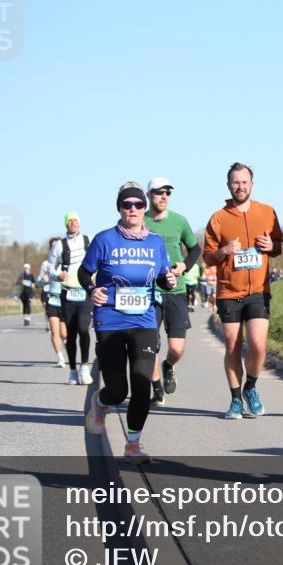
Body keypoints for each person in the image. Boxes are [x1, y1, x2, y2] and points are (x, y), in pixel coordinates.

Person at [82, 182, 176, 463]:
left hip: (144, 319)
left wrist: (167, 281)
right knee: (117, 389)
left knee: (142, 383)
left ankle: (133, 444)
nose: (132, 209)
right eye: (127, 205)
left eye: (137, 205)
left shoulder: (155, 242)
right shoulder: (104, 239)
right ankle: (101, 403)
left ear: (144, 209)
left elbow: (161, 276)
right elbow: (84, 272)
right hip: (110, 319)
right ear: (120, 208)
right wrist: (91, 289)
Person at [203, 162, 283, 419]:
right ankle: (236, 399)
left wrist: (271, 245)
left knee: (258, 346)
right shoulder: (218, 218)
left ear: (252, 183)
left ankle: (250, 386)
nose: (240, 186)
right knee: (232, 347)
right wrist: (224, 251)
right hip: (229, 291)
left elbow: (279, 245)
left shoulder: (267, 212)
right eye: (235, 182)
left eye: (244, 182)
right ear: (229, 186)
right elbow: (208, 257)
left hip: (259, 289)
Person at [144, 177, 201, 404]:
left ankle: (168, 366)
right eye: (159, 192)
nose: (164, 196)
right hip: (149, 292)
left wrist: (184, 266)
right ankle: (157, 389)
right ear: (149, 195)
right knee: (151, 344)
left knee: (176, 348)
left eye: (168, 192)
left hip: (176, 290)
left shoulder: (179, 221)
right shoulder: (142, 221)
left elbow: (195, 249)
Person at [47, 212, 93, 385]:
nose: (72, 223)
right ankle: (73, 370)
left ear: (79, 223)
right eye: (69, 221)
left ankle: (85, 367)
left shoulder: (89, 240)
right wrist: (57, 275)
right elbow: (51, 266)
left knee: (83, 328)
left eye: (75, 220)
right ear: (66, 225)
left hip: (85, 291)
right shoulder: (59, 245)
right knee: (71, 334)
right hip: (67, 292)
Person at [39, 238, 67, 367]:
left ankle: (67, 344)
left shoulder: (67, 262)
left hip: (66, 299)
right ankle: (60, 357)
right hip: (52, 299)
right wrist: (43, 279)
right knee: (54, 332)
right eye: (53, 246)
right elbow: (39, 281)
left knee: (64, 333)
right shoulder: (46, 264)